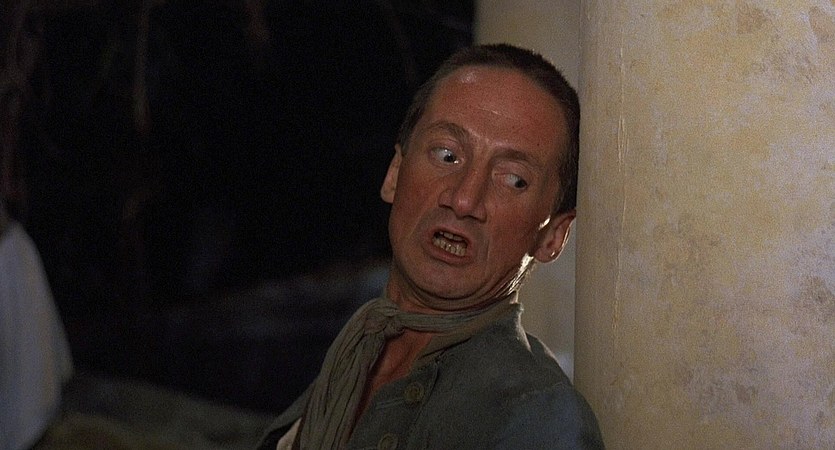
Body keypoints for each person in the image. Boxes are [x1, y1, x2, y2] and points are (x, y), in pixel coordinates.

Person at [257, 43, 604, 449]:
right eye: (447, 155)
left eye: (514, 180)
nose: (464, 199)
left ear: (553, 236)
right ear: (394, 174)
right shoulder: (352, 358)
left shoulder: (538, 420)